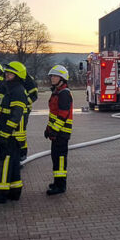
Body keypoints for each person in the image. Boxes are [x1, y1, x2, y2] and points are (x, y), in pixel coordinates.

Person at [0, 61, 28, 204]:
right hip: (10, 135)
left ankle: (0, 195)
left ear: (18, 75)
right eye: (6, 72)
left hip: (9, 136)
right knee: (13, 164)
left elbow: (16, 115)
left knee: (3, 164)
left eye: (10, 73)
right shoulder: (12, 89)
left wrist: (5, 133)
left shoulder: (17, 91)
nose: (7, 75)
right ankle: (15, 191)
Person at [45, 65, 73, 195]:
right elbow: (54, 114)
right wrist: (48, 128)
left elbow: (63, 115)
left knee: (60, 159)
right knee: (55, 159)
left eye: (55, 76)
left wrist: (55, 130)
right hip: (56, 133)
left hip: (61, 134)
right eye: (52, 76)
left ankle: (61, 185)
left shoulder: (64, 94)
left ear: (62, 78)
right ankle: (57, 182)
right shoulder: (57, 92)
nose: (52, 78)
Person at [20, 73, 38, 161]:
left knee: (21, 133)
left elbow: (34, 95)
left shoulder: (27, 79)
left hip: (24, 110)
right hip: (12, 111)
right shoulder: (7, 79)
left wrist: (24, 103)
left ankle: (22, 153)